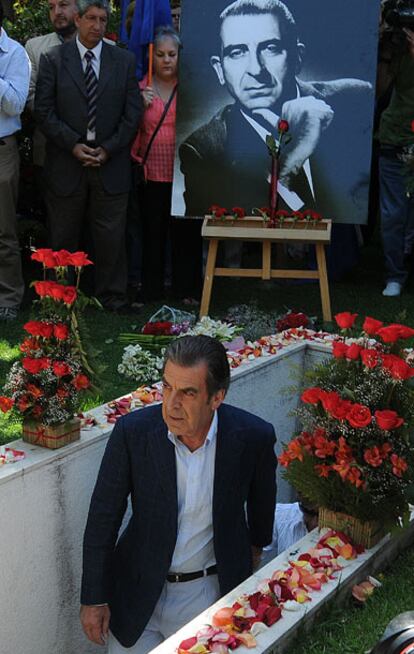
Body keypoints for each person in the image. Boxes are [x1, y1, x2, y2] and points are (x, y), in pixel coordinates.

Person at [80, 335, 277, 653]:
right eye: (167, 387)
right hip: (137, 595)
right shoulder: (133, 433)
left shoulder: (253, 437)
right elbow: (103, 518)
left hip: (209, 595)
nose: (171, 404)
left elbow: (262, 506)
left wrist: (251, 559)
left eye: (187, 393)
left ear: (216, 398)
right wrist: (93, 597)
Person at [179, 0, 373, 223]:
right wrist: (293, 157)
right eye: (237, 52)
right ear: (219, 69)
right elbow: (215, 232)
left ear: (297, 57)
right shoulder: (203, 150)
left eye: (271, 48)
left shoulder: (355, 101)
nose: (256, 69)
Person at [34, 0, 142, 311]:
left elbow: (132, 115)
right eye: (91, 18)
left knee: (111, 238)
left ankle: (112, 298)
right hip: (66, 163)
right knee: (63, 235)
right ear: (78, 20)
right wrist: (72, 145)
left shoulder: (123, 60)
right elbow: (44, 110)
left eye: (103, 19)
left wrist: (107, 148)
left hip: (111, 163)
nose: (97, 25)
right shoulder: (54, 59)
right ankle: (59, 298)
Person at [130, 25, 202, 303]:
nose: (167, 59)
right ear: (152, 57)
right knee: (152, 234)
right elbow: (130, 132)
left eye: (172, 54)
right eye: (160, 54)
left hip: (184, 175)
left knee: (186, 235)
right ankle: (151, 289)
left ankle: (187, 290)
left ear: (179, 56)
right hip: (151, 174)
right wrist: (138, 106)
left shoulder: (190, 89)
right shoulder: (140, 89)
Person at [378, 7, 414, 297]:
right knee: (393, 213)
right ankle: (395, 274)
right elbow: (379, 88)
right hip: (394, 138)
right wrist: (387, 45)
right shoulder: (395, 49)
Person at [0, 5, 31, 321]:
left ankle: (8, 297)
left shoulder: (14, 53)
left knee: (3, 229)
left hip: (2, 150)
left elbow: (16, 104)